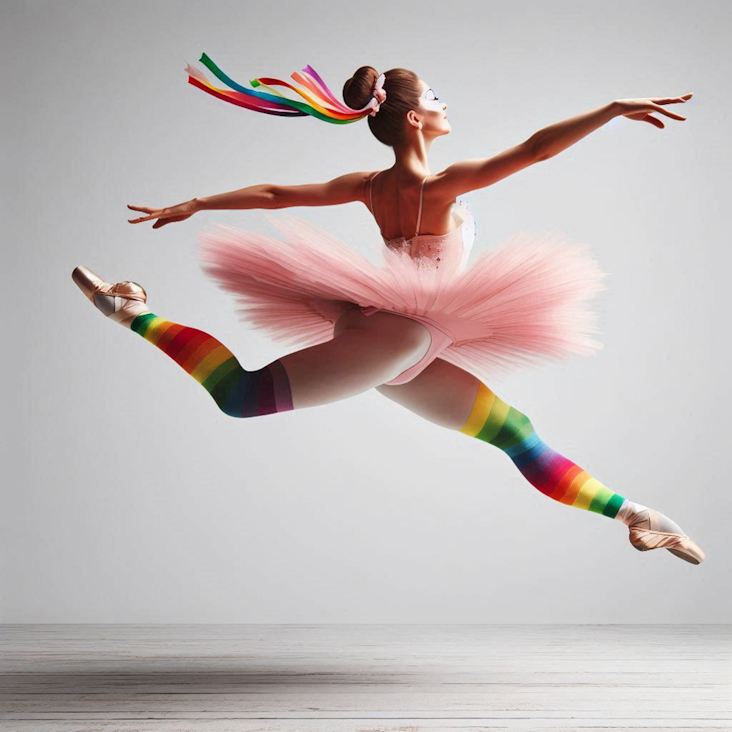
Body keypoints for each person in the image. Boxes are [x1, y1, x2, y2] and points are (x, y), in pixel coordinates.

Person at [72, 55, 704, 564]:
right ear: (411, 120)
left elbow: (274, 195)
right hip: (402, 334)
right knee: (240, 396)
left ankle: (641, 518)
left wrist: (197, 202)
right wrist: (612, 108)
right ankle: (130, 311)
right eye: (434, 96)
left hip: (408, 346)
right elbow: (535, 151)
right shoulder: (438, 185)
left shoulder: (370, 187)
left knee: (515, 433)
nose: (444, 103)